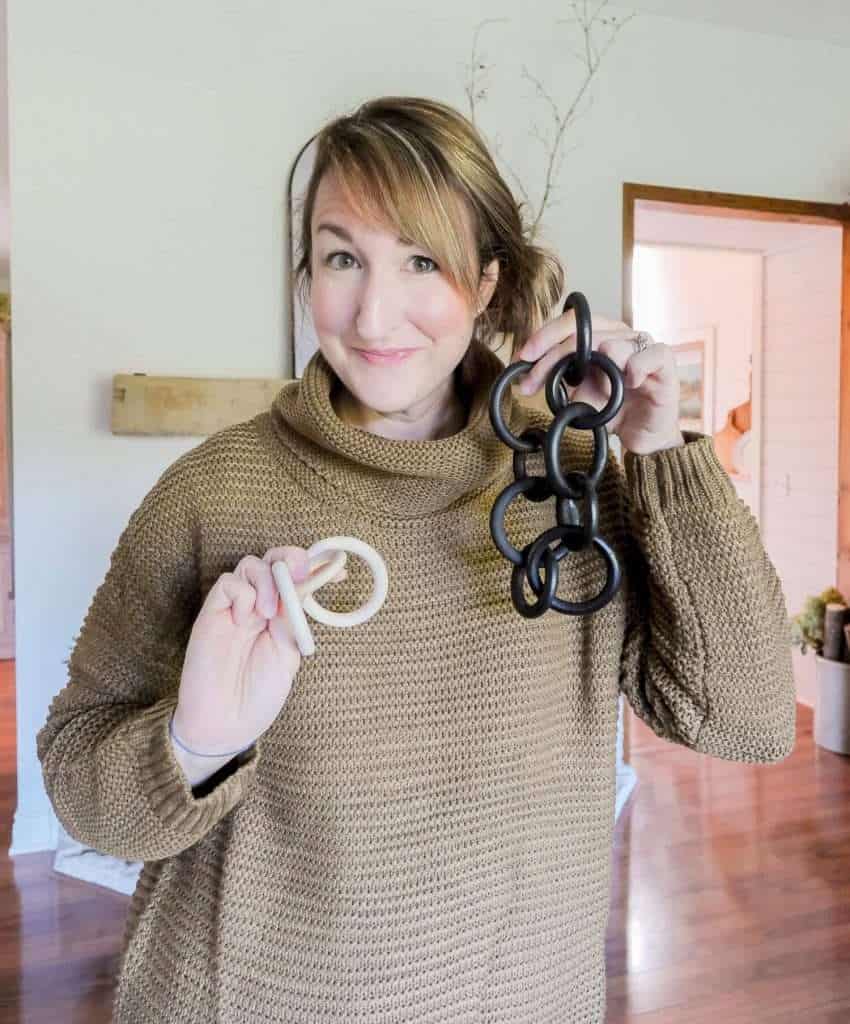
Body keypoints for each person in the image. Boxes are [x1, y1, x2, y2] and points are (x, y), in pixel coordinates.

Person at [37, 95, 797, 1023]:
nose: (373, 312)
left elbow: (750, 722)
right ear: (306, 272)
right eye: (342, 257)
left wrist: (663, 446)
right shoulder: (211, 494)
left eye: (422, 261)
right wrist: (198, 743)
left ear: (485, 282)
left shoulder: (573, 479)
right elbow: (83, 789)